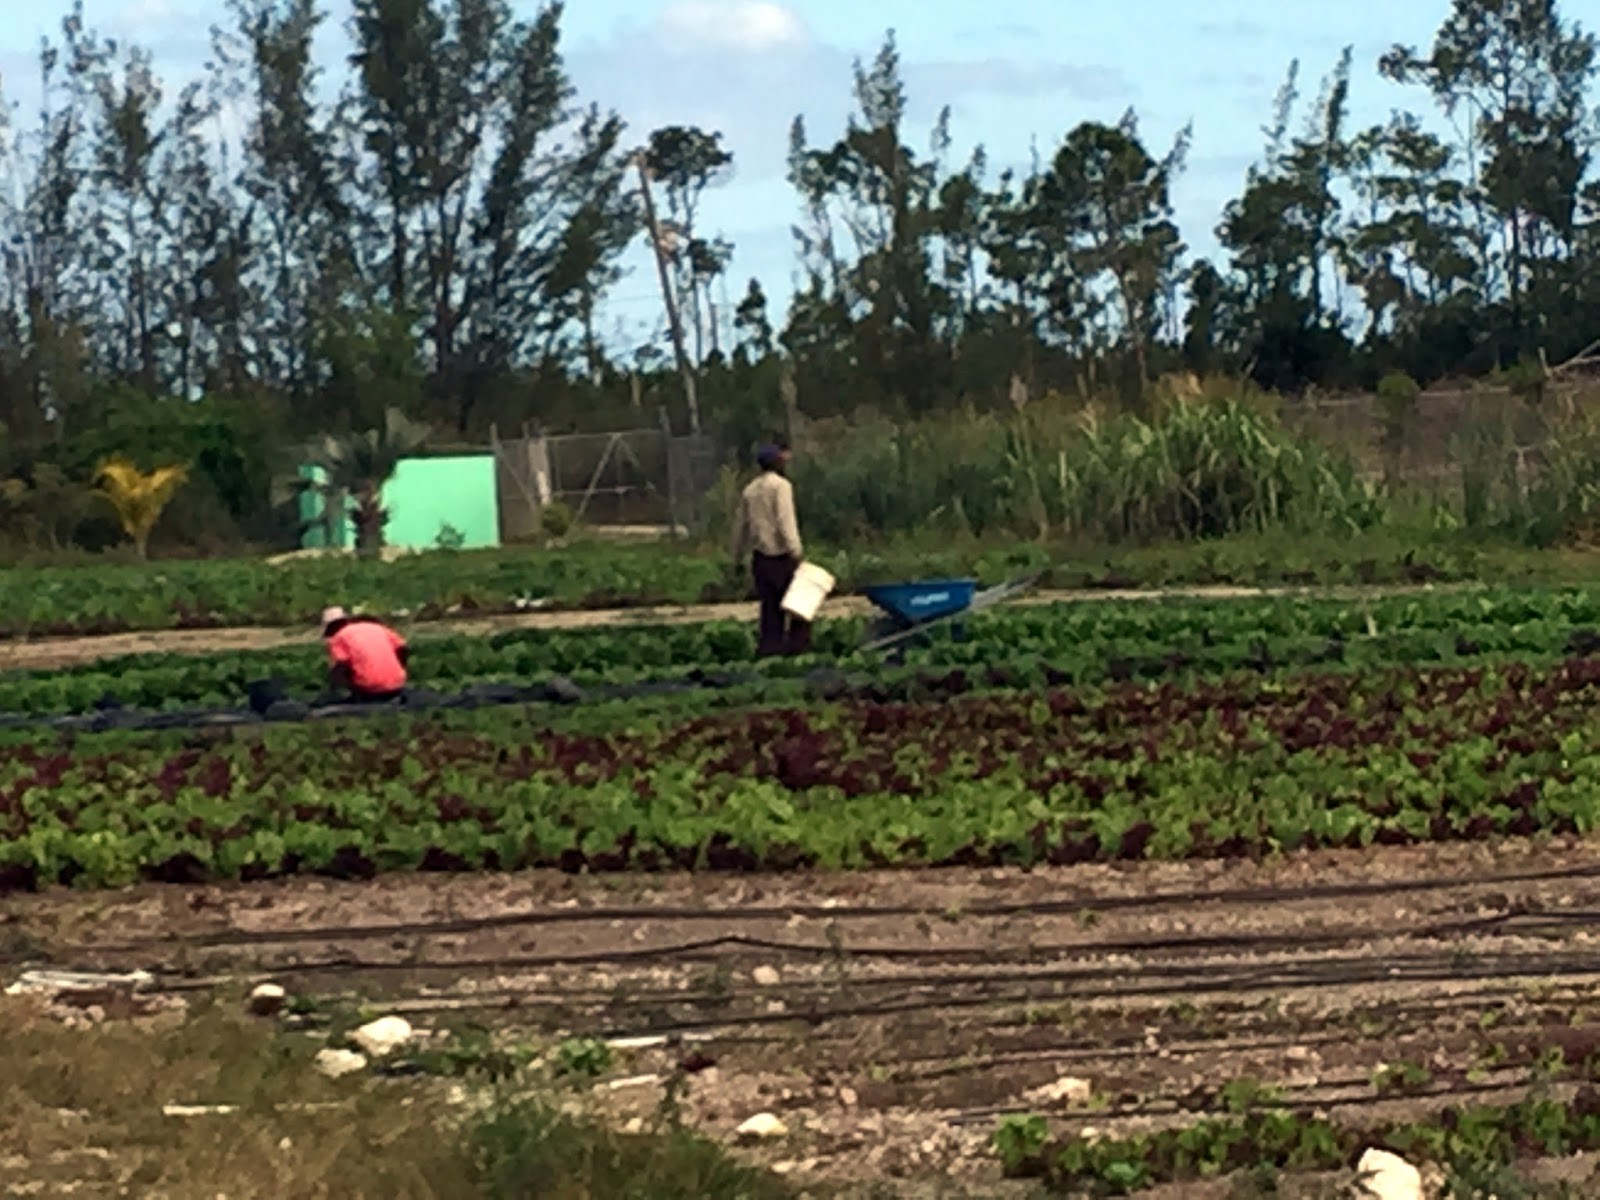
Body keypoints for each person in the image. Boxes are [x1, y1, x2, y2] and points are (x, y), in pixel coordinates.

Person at [731, 442, 811, 657]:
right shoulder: (781, 486)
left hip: (761, 559)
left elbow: (741, 527)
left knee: (770, 609)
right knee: (798, 606)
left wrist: (737, 557)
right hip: (781, 557)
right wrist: (796, 552)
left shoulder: (750, 489)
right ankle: (796, 650)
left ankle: (770, 650)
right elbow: (786, 521)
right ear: (776, 462)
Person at [320, 606, 408, 702]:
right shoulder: (377, 628)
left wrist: (334, 687)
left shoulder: (338, 638)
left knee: (345, 670)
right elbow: (402, 647)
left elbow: (341, 665)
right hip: (397, 685)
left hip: (369, 690)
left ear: (330, 628)